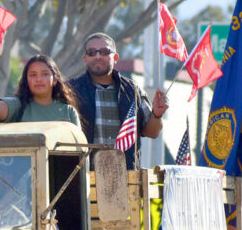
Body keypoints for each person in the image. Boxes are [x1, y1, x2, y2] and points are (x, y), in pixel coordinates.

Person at [68, 32, 169, 168]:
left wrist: (157, 114)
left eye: (104, 51)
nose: (98, 56)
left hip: (126, 177)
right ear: (85, 58)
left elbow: (152, 132)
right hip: (83, 175)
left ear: (115, 57)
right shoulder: (70, 90)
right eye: (92, 52)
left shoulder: (132, 90)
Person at [0, 54, 83, 127]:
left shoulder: (68, 111)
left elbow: (80, 149)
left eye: (45, 74)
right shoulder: (18, 105)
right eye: (33, 75)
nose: (38, 79)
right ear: (26, 80)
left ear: (55, 79)